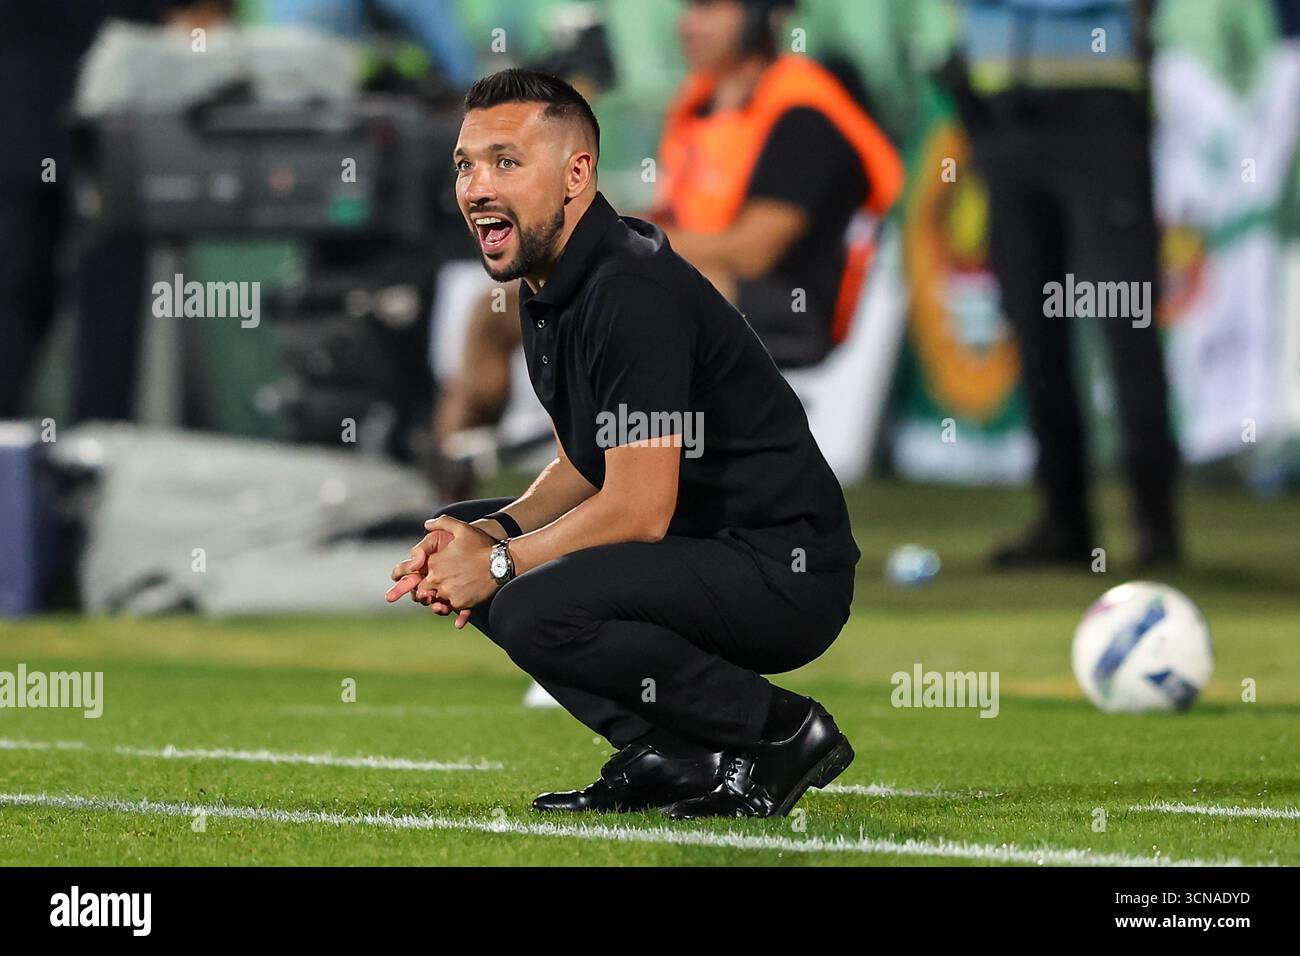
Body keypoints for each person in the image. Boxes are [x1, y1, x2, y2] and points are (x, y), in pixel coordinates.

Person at [388, 68, 860, 819]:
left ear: (577, 174)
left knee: (535, 601)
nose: (477, 186)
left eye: (506, 162)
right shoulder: (555, 280)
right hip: (699, 550)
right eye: (466, 164)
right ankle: (670, 755)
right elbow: (588, 461)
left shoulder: (629, 291)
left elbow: (638, 507)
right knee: (464, 536)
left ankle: (782, 733)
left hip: (781, 569)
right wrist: (489, 533)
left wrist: (503, 560)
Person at [432, 0, 902, 494]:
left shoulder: (806, 113)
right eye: (688, 9)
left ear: (764, 17)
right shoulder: (699, 104)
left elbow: (754, 249)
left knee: (626, 295)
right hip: (683, 281)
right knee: (501, 305)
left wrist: (613, 241)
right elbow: (670, 220)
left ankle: (609, 493)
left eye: (709, 9)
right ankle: (446, 489)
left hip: (781, 302)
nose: (688, 24)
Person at [945, 0, 1181, 568]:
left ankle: (1157, 524)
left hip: (1096, 108)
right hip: (998, 110)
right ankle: (1065, 521)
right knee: (1033, 327)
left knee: (1126, 321)